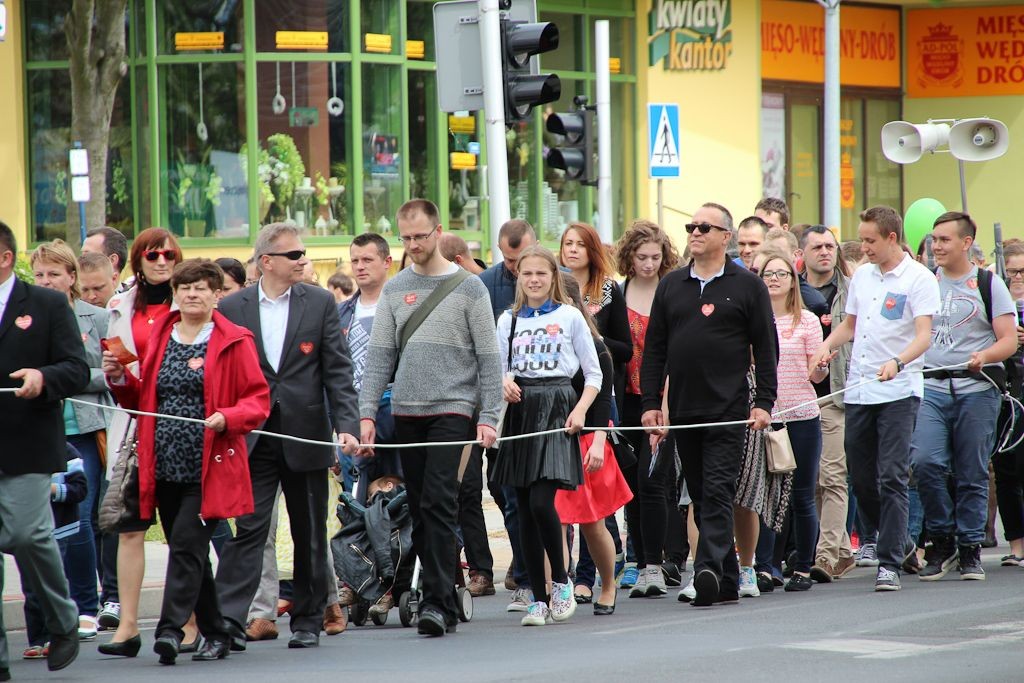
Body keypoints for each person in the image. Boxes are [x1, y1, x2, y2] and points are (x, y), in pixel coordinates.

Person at [103, 258, 270, 664]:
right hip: (163, 463)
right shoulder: (162, 332)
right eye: (185, 288)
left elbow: (257, 400)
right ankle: (217, 632)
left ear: (216, 295)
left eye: (201, 288)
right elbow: (143, 399)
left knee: (186, 543)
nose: (192, 294)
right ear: (175, 294)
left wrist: (228, 416)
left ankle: (169, 629)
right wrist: (120, 379)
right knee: (189, 550)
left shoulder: (235, 340)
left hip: (209, 466)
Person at [358, 199, 503, 637]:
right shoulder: (395, 289)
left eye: (421, 236)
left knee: (439, 501)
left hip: (453, 408)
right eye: (406, 237)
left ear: (438, 231)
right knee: (420, 506)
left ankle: (437, 603)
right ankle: (444, 593)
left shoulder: (470, 288)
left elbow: (489, 358)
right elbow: (379, 358)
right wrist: (367, 414)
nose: (413, 244)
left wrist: (489, 415)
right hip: (406, 409)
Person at [214, 223, 360, 650]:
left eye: (302, 253)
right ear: (266, 262)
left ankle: (308, 620)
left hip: (306, 434)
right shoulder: (233, 307)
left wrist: (347, 427)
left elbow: (338, 370)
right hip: (253, 436)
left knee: (309, 532)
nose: (303, 260)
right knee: (249, 531)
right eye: (294, 254)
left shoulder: (319, 302)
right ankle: (228, 622)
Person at [640, 202, 778, 607]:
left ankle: (706, 570)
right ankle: (728, 579)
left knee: (718, 489)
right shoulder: (672, 285)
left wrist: (764, 402)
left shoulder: (747, 285)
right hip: (684, 411)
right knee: (700, 496)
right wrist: (651, 403)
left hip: (729, 409)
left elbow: (766, 349)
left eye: (704, 227)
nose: (695, 233)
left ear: (725, 236)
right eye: (691, 227)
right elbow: (654, 350)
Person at [813, 206, 941, 592]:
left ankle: (889, 563)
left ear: (891, 238)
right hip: (859, 389)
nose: (863, 247)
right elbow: (850, 325)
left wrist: (898, 362)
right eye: (862, 239)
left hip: (899, 390)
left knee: (892, 475)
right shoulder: (863, 277)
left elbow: (924, 335)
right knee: (861, 476)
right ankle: (899, 540)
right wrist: (826, 347)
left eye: (870, 240)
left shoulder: (919, 278)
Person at [490, 245, 601, 626]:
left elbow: (594, 374)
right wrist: (504, 382)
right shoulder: (508, 320)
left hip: (557, 405)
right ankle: (537, 597)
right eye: (527, 274)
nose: (534, 280)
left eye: (541, 273)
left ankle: (562, 581)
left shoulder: (570, 316)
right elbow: (499, 369)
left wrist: (580, 410)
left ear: (553, 277)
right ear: (518, 278)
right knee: (522, 508)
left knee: (541, 502)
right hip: (521, 411)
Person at [0, 219, 89, 675]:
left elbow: (76, 369)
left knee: (25, 534)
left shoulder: (47, 304)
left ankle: (62, 618)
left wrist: (43, 377)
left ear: (4, 258)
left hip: (27, 444)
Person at [912, 212, 1017, 581]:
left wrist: (984, 356)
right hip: (931, 387)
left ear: (966, 243)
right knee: (925, 463)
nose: (936, 246)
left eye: (944, 239)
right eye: (934, 239)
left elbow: (1008, 339)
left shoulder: (989, 283)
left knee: (972, 471)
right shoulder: (924, 282)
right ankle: (942, 539)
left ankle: (970, 546)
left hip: (977, 390)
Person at [99, 227, 184, 655]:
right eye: (153, 255)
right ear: (138, 261)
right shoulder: (120, 307)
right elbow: (120, 379)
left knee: (182, 531)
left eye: (169, 255)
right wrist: (115, 373)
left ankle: (190, 621)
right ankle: (128, 626)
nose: (162, 261)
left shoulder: (189, 301)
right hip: (135, 427)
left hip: (180, 427)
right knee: (130, 528)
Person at [31, 240, 112, 640]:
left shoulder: (97, 318)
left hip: (82, 430)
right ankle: (51, 608)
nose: (46, 281)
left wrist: (66, 377)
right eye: (39, 275)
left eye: (54, 274)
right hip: (37, 431)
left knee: (77, 516)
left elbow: (114, 373)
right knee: (41, 524)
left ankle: (85, 606)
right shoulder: (23, 318)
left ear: (71, 277)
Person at [554, 274, 632, 614]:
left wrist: (599, 441)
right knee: (553, 520)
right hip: (553, 439)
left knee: (592, 523)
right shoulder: (543, 339)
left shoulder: (595, 345)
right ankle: (557, 588)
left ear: (574, 304)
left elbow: (603, 399)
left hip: (588, 439)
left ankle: (608, 583)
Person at [613, 220, 683, 598]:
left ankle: (655, 564)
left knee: (652, 480)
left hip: (662, 399)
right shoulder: (617, 291)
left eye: (656, 257)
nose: (649, 264)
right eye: (642, 257)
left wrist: (666, 404)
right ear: (630, 256)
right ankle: (639, 563)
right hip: (625, 399)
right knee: (631, 487)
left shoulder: (671, 290)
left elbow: (675, 351)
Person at [753, 252, 826, 592]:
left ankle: (803, 567)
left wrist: (821, 367)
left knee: (802, 495)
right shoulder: (754, 320)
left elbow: (816, 373)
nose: (774, 278)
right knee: (766, 495)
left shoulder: (807, 320)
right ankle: (766, 567)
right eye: (768, 273)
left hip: (802, 415)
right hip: (765, 417)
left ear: (793, 281)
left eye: (782, 273)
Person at [477, 218, 537, 607]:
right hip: (499, 406)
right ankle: (524, 557)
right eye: (508, 259)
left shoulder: (556, 279)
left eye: (521, 258)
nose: (514, 268)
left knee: (537, 495)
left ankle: (536, 570)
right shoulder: (484, 285)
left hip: (543, 406)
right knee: (503, 489)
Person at [800, 225, 857, 582]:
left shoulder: (852, 290)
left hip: (837, 393)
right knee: (812, 480)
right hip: (798, 396)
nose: (824, 252)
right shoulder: (792, 292)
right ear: (801, 254)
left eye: (829, 246)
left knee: (833, 475)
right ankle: (843, 551)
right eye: (817, 247)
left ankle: (826, 554)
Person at [21, 444, 87, 660]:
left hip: (59, 529)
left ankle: (56, 636)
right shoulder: (18, 450)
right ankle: (37, 639)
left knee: (53, 582)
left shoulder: (66, 452)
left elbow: (80, 490)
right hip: (29, 530)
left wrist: (50, 489)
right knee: (31, 586)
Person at [993, 242, 1024, 566]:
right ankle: (1016, 543)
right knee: (1006, 468)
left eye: (1022, 271)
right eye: (1011, 271)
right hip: (1006, 391)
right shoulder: (996, 304)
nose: (1017, 277)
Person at [762, 228, 829, 316]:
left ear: (796, 255)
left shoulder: (811, 302)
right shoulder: (755, 284)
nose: (773, 259)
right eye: (768, 254)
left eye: (779, 253)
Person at [478, 218, 537, 320]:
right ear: (500, 248)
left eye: (523, 258)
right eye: (510, 260)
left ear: (537, 246)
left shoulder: (561, 280)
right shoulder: (483, 284)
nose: (517, 267)